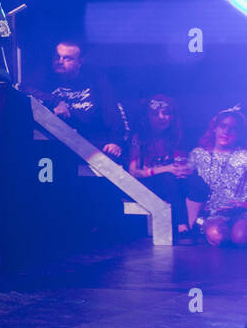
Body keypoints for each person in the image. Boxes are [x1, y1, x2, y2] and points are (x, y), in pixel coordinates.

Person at [28, 40, 127, 159]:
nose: (60, 61)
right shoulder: (45, 77)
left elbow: (113, 111)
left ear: (79, 62)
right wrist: (56, 101)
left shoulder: (96, 79)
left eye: (67, 58)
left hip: (91, 148)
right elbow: (20, 87)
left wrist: (116, 142)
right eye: (57, 57)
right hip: (54, 147)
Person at [128, 94, 195, 238]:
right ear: (147, 117)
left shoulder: (177, 136)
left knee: (195, 182)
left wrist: (185, 171)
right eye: (155, 114)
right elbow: (133, 172)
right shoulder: (139, 138)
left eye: (166, 113)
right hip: (149, 184)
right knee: (167, 178)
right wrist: (165, 169)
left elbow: (185, 162)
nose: (161, 117)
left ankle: (193, 225)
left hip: (175, 184)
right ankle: (182, 226)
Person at [187, 108, 247, 247]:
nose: (226, 132)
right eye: (223, 126)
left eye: (233, 128)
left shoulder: (244, 156)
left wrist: (242, 205)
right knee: (218, 235)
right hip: (213, 213)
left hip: (241, 211)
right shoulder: (198, 155)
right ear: (214, 128)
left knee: (240, 236)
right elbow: (188, 186)